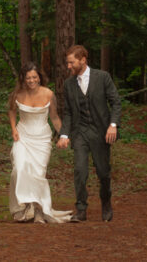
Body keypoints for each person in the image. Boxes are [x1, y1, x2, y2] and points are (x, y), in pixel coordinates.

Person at [56, 44, 122, 222]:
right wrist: (64, 134)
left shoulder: (102, 77)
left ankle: (106, 202)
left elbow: (116, 102)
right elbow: (68, 111)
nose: (68, 66)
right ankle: (81, 209)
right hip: (80, 133)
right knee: (80, 170)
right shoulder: (69, 84)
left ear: (83, 60)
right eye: (67, 63)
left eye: (71, 63)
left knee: (103, 172)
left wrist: (113, 125)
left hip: (101, 133)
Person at [7, 62, 73, 223]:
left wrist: (64, 134)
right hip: (23, 137)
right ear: (23, 78)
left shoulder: (48, 94)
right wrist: (13, 128)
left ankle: (38, 210)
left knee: (38, 174)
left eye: (34, 77)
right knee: (19, 168)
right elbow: (11, 111)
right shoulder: (17, 94)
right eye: (28, 77)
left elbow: (55, 117)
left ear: (39, 77)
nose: (31, 80)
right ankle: (25, 206)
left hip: (42, 138)